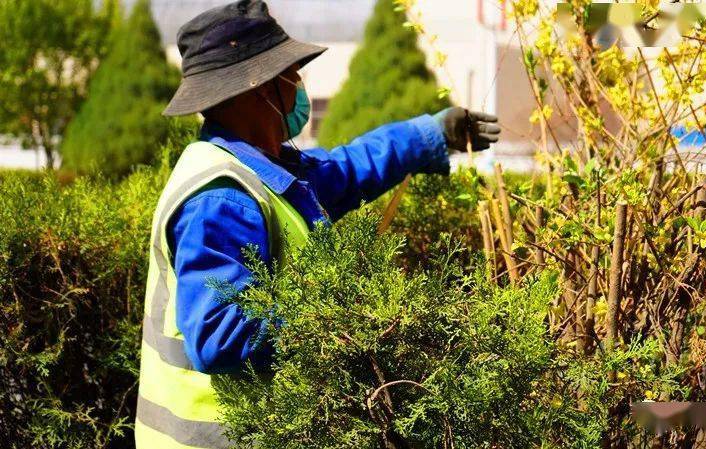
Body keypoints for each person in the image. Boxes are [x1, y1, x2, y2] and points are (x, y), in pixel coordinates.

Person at [135, 1, 501, 448]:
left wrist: (431, 134)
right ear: (258, 90)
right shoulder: (223, 197)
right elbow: (219, 335)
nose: (297, 85)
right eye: (289, 74)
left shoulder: (263, 169)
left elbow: (346, 169)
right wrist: (336, 313)